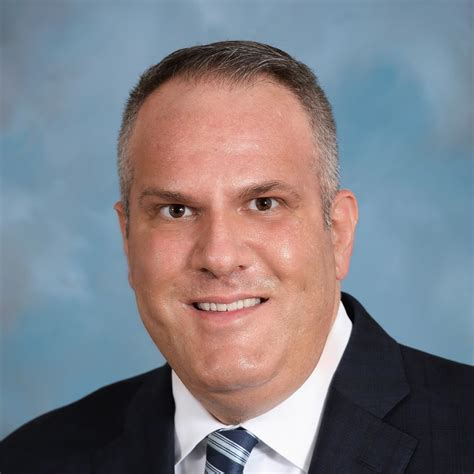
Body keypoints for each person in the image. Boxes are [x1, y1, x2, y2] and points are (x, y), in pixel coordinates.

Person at [1, 41, 472, 474]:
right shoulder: (31, 459)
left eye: (264, 204)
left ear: (338, 233)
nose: (220, 257)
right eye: (176, 210)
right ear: (127, 240)